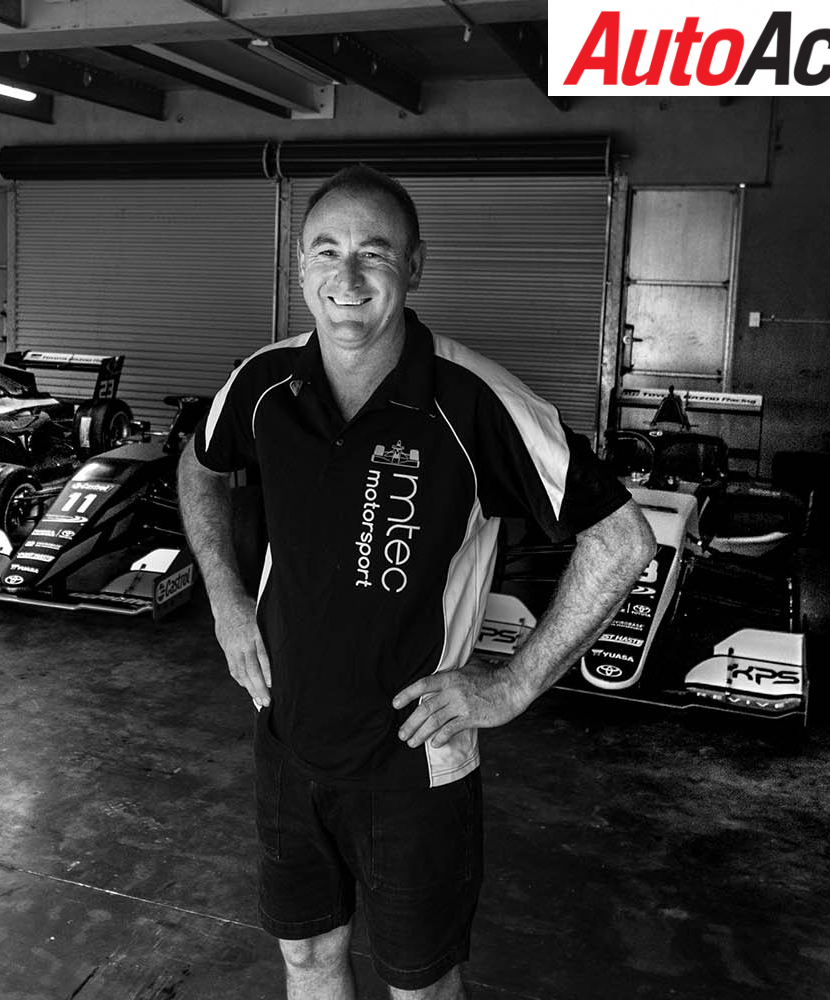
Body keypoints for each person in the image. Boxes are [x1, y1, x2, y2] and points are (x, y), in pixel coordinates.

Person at [177, 164, 656, 1000]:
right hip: (286, 741)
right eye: (326, 252)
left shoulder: (474, 402)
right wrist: (223, 598)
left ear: (416, 266)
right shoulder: (263, 385)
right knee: (306, 960)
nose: (347, 277)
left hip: (414, 763)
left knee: (420, 986)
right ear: (299, 267)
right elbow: (199, 466)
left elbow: (622, 538)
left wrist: (509, 688)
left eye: (375, 253)